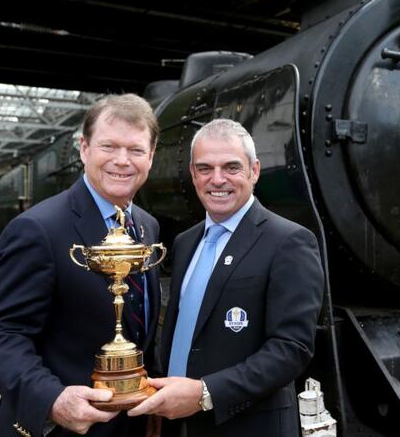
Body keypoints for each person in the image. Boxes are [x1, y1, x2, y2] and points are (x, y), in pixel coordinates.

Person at [0, 94, 161, 437]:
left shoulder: (147, 227)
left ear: (150, 156)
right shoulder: (37, 229)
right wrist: (52, 400)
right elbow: (0, 336)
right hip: (59, 429)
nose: (122, 161)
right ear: (84, 148)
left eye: (135, 150)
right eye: (109, 146)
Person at [128, 119, 324, 437]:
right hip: (177, 424)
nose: (217, 179)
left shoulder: (289, 241)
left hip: (247, 426)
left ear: (254, 170)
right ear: (193, 174)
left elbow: (292, 348)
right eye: (205, 168)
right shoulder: (185, 242)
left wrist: (206, 393)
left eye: (231, 167)